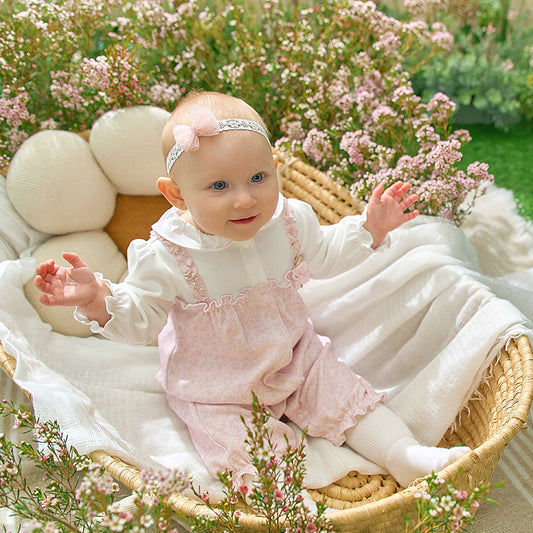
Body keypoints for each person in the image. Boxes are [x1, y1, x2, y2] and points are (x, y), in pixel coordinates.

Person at [34, 91, 469, 491]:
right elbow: (140, 318)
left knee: (345, 393)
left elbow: (328, 255)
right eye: (219, 186)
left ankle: (405, 455)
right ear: (175, 195)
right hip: (215, 385)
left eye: (258, 177)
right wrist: (97, 299)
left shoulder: (290, 220)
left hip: (294, 354)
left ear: (275, 170)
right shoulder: (166, 254)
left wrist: (370, 229)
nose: (245, 200)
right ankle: (284, 501)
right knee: (247, 455)